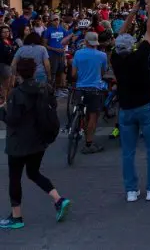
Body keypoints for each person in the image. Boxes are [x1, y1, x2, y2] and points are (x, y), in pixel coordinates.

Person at [0, 58, 71, 229]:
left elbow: (12, 119)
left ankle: (16, 216)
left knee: (15, 178)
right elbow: (52, 106)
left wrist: (1, 109)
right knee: (33, 173)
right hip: (39, 140)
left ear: (18, 73)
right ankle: (58, 199)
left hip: (18, 143)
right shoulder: (44, 88)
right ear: (34, 71)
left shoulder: (16, 94)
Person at [110, 0, 150, 202]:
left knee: (128, 152)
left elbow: (120, 36)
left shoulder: (115, 59)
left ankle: (131, 191)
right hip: (145, 106)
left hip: (125, 109)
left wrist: (133, 10)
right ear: (132, 46)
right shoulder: (140, 55)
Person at [71, 31, 109, 154]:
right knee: (93, 116)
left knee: (80, 109)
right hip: (95, 88)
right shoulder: (102, 55)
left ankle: (76, 123)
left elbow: (73, 74)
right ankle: (89, 143)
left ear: (85, 42)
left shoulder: (78, 53)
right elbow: (103, 73)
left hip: (80, 87)